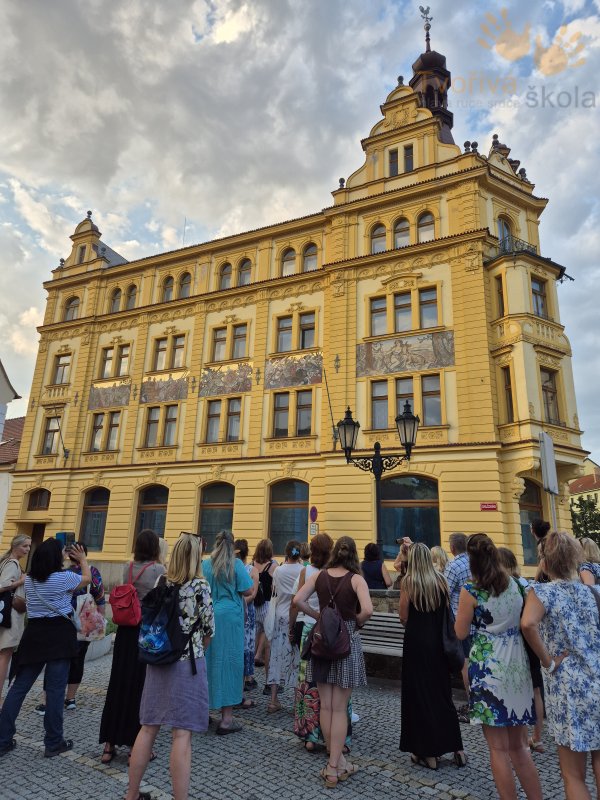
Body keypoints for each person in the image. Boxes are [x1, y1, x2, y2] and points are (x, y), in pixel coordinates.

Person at [125, 533, 214, 800]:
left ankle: (131, 794)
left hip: (158, 661)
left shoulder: (162, 580)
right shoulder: (200, 586)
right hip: (187, 663)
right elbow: (209, 629)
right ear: (196, 557)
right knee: (181, 734)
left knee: (148, 727)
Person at [455, 533, 542, 800]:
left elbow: (460, 633)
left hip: (488, 668)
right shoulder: (518, 585)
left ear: (472, 561)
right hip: (517, 666)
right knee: (520, 747)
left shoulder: (471, 591)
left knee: (498, 749)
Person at [521, 531, 600, 800]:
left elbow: (527, 624)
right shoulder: (593, 591)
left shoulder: (542, 592)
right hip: (597, 679)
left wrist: (548, 661)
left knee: (573, 775)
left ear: (544, 563)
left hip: (568, 688)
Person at [0, 538, 90, 758]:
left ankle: (2, 739)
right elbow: (87, 579)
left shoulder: (30, 579)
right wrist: (82, 559)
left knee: (19, 687)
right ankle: (53, 741)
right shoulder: (64, 578)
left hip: (35, 634)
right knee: (56, 690)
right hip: (59, 635)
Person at [294, 536, 373, 788]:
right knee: (339, 709)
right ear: (353, 554)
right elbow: (368, 610)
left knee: (326, 707)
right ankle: (333, 767)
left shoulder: (320, 576)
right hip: (346, 641)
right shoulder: (356, 579)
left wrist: (319, 616)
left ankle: (337, 763)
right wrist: (354, 622)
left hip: (322, 641)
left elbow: (297, 600)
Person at [99, 529, 165, 764]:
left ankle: (108, 745)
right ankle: (136, 748)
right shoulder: (158, 570)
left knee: (117, 683)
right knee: (140, 687)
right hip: (144, 631)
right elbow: (162, 601)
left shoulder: (127, 567)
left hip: (124, 631)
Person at [399, 542, 465, 770]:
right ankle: (457, 747)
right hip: (439, 644)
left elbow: (403, 616)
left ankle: (428, 752)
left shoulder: (409, 582)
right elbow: (447, 611)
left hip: (417, 644)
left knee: (419, 696)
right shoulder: (441, 581)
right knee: (443, 695)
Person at [290, 533, 353, 754]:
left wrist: (315, 617)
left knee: (309, 684)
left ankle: (310, 735)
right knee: (338, 685)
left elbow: (297, 601)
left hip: (311, 631)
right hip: (335, 632)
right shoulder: (337, 572)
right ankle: (337, 739)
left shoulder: (308, 572)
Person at [35, 542, 105, 715]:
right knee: (78, 660)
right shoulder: (92, 572)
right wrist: (100, 619)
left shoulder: (62, 573)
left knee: (55, 661)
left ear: (67, 555)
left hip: (63, 622)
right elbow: (100, 597)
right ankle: (70, 699)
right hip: (85, 623)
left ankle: (46, 700)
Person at [203, 530, 253, 733]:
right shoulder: (236, 564)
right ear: (233, 546)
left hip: (210, 615)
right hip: (231, 617)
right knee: (231, 664)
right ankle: (226, 719)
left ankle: (203, 712)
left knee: (209, 661)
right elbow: (248, 590)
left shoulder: (205, 564)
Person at [497, 547, 544, 754]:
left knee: (515, 688)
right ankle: (537, 737)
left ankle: (518, 738)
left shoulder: (502, 587)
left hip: (514, 643)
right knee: (535, 690)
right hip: (530, 642)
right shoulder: (526, 584)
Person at [265, 540, 303, 713]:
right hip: (295, 615)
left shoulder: (278, 570)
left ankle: (273, 700)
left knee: (276, 655)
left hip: (279, 614)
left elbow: (274, 590)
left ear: (286, 553)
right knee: (295, 658)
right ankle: (296, 703)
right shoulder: (302, 571)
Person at [0, 534, 31, 706]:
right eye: (25, 546)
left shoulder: (6, 561)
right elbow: (3, 586)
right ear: (15, 546)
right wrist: (21, 581)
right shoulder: (12, 564)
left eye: (29, 546)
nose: (27, 549)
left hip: (4, 614)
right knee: (4, 656)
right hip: (9, 615)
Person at [444, 532, 472, 720]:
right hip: (478, 619)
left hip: (460, 618)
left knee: (465, 662)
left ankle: (472, 702)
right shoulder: (475, 561)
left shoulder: (454, 566)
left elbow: (443, 591)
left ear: (452, 548)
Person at [234, 538, 259, 696]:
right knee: (245, 646)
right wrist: (241, 603)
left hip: (235, 611)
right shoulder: (252, 570)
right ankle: (241, 686)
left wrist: (236, 603)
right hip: (246, 613)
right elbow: (253, 594)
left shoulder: (231, 568)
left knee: (238, 645)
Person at [252, 539, 277, 685]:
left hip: (254, 605)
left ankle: (249, 677)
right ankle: (268, 681)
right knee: (268, 644)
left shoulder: (252, 564)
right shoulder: (272, 566)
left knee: (251, 641)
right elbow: (276, 586)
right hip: (267, 606)